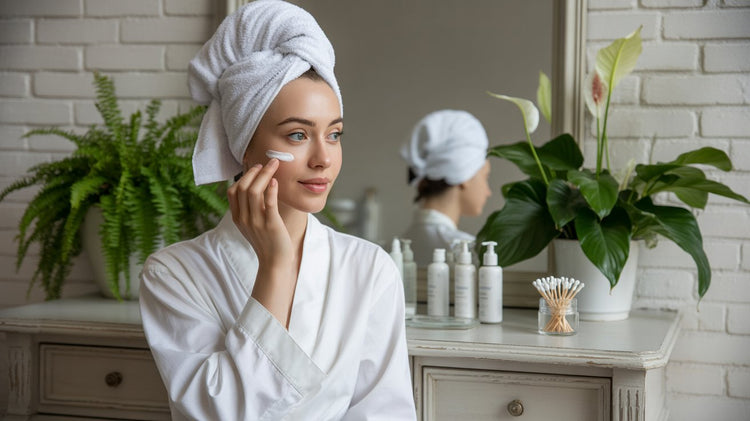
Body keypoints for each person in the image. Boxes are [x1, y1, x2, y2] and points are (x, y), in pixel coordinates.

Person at [138, 1, 416, 419]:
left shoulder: (369, 269)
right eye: (298, 134)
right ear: (243, 146)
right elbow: (219, 413)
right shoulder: (173, 273)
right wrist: (277, 266)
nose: (323, 158)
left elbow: (384, 412)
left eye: (335, 134)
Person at [400, 110, 492, 267]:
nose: (488, 192)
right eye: (485, 177)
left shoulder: (390, 249)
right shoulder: (469, 252)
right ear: (465, 176)